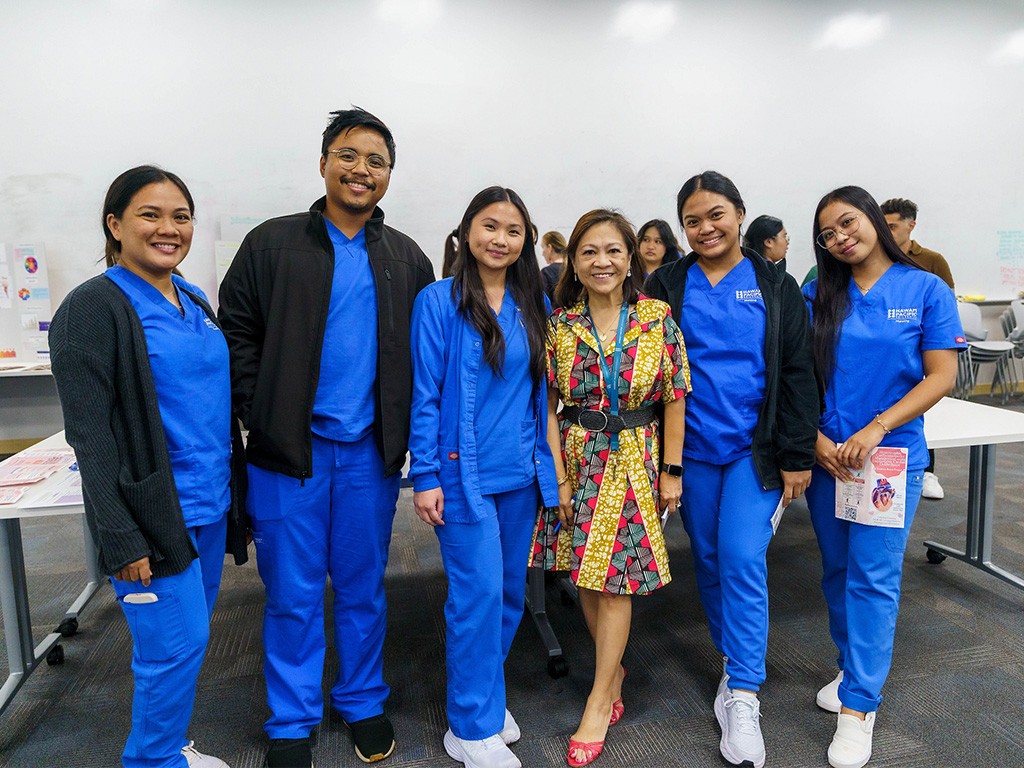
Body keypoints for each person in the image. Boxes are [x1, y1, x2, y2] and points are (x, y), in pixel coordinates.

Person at [218, 108, 434, 767]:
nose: (361, 169)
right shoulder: (272, 244)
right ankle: (291, 719)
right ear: (322, 164)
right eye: (348, 155)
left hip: (369, 455)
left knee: (364, 586)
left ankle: (363, 700)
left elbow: (425, 357)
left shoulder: (406, 257)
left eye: (376, 160)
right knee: (292, 590)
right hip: (290, 455)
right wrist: (263, 407)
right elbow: (236, 331)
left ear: (389, 175)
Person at [49, 165, 247, 768]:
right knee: (172, 647)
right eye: (150, 215)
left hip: (208, 506)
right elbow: (92, 439)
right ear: (115, 225)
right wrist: (119, 535)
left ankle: (170, 747)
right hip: (150, 515)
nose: (169, 228)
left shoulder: (189, 296)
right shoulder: (92, 308)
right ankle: (152, 760)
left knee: (191, 641)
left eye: (180, 217)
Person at [644, 171, 819, 768]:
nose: (705, 228)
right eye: (692, 220)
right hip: (689, 451)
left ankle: (744, 691)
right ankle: (731, 664)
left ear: (740, 214)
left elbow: (797, 371)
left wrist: (797, 456)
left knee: (743, 556)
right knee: (711, 558)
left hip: (755, 449)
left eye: (716, 214)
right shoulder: (665, 282)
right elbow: (651, 371)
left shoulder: (774, 283)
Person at [802, 186, 963, 768]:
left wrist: (874, 429)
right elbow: (799, 372)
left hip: (886, 458)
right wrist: (818, 441)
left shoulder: (925, 288)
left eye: (848, 223)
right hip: (827, 458)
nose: (841, 237)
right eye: (828, 234)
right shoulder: (817, 291)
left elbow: (940, 375)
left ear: (874, 219)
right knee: (837, 569)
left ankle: (860, 706)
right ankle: (852, 669)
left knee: (872, 576)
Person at [532, 209, 690, 766]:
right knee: (587, 579)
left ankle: (600, 699)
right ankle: (613, 666)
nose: (602, 262)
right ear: (573, 261)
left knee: (614, 580)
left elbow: (675, 396)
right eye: (589, 252)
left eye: (613, 251)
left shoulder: (656, 317)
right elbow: (546, 406)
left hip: (633, 457)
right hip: (575, 458)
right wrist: (556, 475)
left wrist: (672, 471)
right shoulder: (559, 325)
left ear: (631, 259)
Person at [408, 187, 558, 768]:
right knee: (475, 596)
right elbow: (426, 395)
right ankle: (469, 726)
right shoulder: (438, 300)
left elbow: (537, 394)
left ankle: (486, 700)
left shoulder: (532, 301)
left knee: (510, 596)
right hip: (461, 476)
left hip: (521, 476)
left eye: (513, 230)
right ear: (467, 231)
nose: (500, 238)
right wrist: (425, 475)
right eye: (489, 226)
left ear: (525, 239)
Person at [880, 197, 956, 501]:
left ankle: (926, 472)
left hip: (922, 350)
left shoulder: (932, 262)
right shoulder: (875, 259)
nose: (886, 232)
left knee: (919, 409)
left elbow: (945, 309)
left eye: (892, 226)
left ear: (911, 225)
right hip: (888, 353)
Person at [539, 230, 567, 304]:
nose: (542, 253)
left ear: (550, 248)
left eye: (543, 248)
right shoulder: (574, 269)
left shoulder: (546, 272)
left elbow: (543, 303)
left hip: (555, 314)